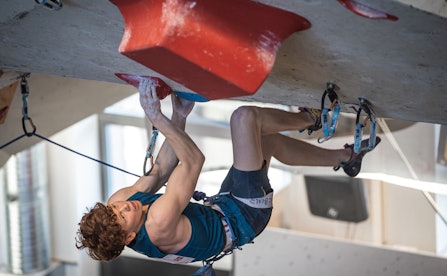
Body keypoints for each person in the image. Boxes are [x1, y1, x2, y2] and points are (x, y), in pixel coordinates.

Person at [76, 79, 380, 265]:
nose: (123, 206)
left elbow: (162, 168)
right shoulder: (157, 224)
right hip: (246, 216)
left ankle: (345, 158)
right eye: (121, 216)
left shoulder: (123, 200)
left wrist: (177, 118)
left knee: (266, 142)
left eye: (114, 207)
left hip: (223, 206)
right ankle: (311, 119)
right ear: (129, 237)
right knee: (244, 118)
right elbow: (193, 160)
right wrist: (157, 118)